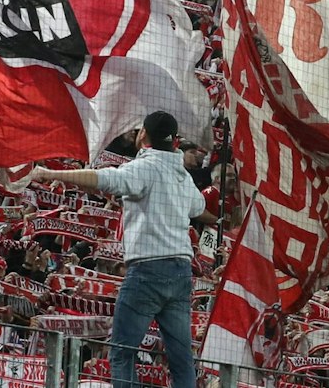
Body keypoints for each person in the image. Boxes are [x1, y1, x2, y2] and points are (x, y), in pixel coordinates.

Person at [26, 112, 206, 388]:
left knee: (122, 352)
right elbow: (198, 207)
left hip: (148, 271)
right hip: (181, 272)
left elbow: (106, 179)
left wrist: (48, 172)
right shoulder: (180, 172)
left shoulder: (146, 167)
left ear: (144, 135)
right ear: (173, 141)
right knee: (181, 358)